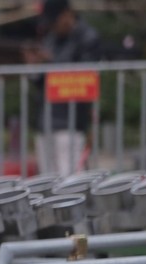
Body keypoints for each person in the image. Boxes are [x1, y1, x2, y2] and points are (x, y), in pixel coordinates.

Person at [26, 0, 102, 176]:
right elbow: (40, 81)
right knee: (48, 177)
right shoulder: (51, 38)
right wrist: (34, 66)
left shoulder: (88, 37)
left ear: (67, 14)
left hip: (71, 120)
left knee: (70, 177)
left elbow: (84, 76)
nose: (51, 26)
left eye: (54, 21)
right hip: (45, 119)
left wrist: (51, 61)